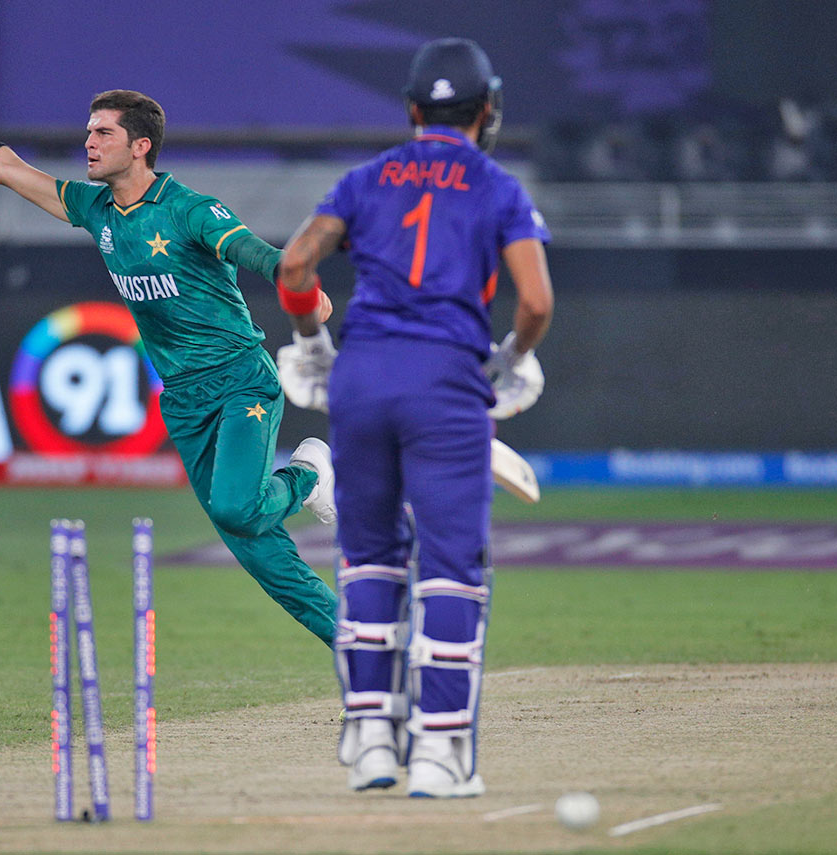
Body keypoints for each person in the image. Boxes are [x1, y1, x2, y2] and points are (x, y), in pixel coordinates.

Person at [0, 48, 340, 646]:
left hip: (240, 382)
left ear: (141, 146)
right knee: (258, 551)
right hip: (182, 400)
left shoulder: (190, 210)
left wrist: (300, 286)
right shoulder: (93, 206)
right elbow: (4, 167)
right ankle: (363, 652)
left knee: (237, 510)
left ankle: (309, 473)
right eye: (87, 132)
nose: (89, 142)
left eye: (103, 132)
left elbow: (262, 257)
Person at [274, 37, 554, 797]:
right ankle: (439, 752)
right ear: (487, 109)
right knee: (452, 568)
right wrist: (509, 361)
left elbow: (294, 265)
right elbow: (534, 302)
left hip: (361, 378)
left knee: (370, 557)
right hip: (446, 384)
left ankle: (369, 740)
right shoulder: (498, 186)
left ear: (410, 109)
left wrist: (311, 344)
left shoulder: (366, 180)